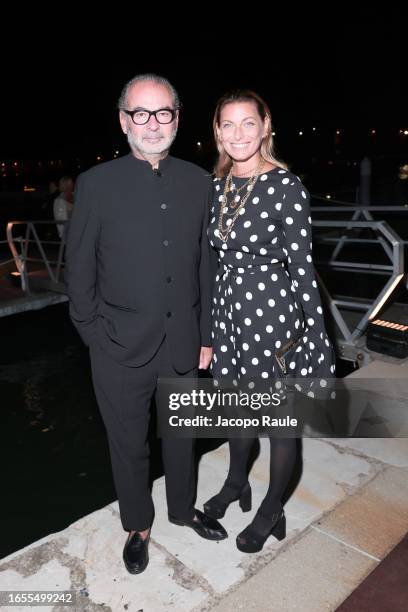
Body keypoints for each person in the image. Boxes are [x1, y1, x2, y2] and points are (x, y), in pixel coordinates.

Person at [65, 74, 227, 575]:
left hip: (183, 342)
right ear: (123, 120)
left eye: (163, 113)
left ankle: (181, 510)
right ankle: (138, 525)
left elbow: (206, 265)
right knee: (128, 444)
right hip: (117, 346)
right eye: (141, 113)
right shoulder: (95, 184)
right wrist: (94, 335)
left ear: (177, 118)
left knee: (183, 438)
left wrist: (206, 338)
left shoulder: (200, 182)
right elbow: (79, 270)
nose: (152, 124)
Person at [206, 90, 335, 553]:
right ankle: (236, 481)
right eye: (228, 124)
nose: (238, 133)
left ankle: (271, 508)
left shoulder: (286, 186)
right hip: (230, 316)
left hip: (274, 317)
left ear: (265, 126)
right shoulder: (219, 184)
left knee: (280, 424)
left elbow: (303, 267)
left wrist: (316, 340)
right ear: (217, 132)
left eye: (248, 123)